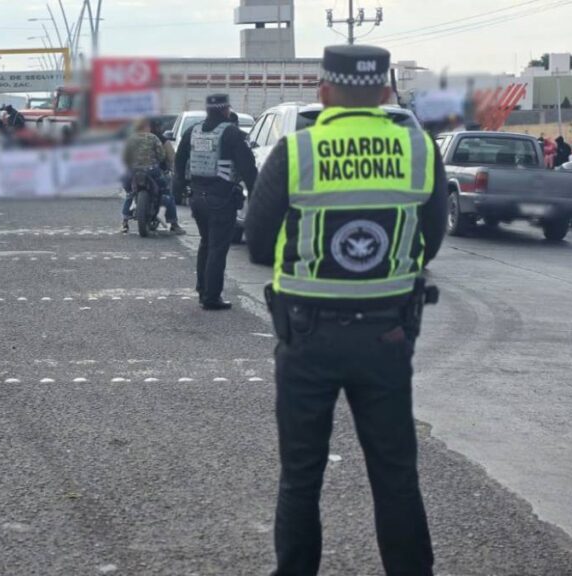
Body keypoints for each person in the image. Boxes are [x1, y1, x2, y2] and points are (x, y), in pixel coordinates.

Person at [245, 45, 447, 576]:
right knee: (396, 475)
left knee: (301, 477)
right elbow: (433, 238)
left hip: (307, 336)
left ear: (324, 92)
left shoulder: (297, 151)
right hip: (388, 337)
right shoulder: (420, 148)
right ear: (385, 94)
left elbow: (260, 244)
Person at [173, 94, 257, 310]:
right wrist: (257, 194)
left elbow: (179, 160)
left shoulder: (193, 131)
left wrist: (178, 190)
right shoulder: (231, 133)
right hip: (221, 200)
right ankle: (211, 297)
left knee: (206, 243)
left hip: (197, 198)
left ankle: (203, 290)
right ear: (225, 110)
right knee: (218, 248)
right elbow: (248, 168)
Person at [121, 118, 185, 235]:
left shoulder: (129, 139)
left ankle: (125, 221)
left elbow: (124, 157)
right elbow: (162, 156)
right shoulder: (155, 137)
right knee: (167, 191)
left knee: (129, 193)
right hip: (152, 170)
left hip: (133, 171)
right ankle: (172, 222)